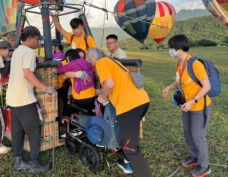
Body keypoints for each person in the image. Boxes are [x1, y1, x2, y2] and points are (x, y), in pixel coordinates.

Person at [88, 48, 152, 177]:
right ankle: (128, 161)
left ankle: (138, 168)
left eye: (90, 61)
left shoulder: (101, 63)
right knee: (129, 141)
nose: (90, 64)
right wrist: (102, 91)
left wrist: (103, 97)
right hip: (142, 101)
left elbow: (110, 85)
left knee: (130, 149)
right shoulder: (114, 62)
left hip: (129, 107)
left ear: (94, 58)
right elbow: (115, 84)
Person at [6, 26, 54, 173]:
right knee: (34, 131)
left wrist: (36, 60)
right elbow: (27, 74)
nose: (38, 42)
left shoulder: (18, 51)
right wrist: (45, 88)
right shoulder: (28, 52)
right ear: (31, 37)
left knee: (17, 131)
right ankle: (35, 164)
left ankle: (18, 161)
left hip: (13, 99)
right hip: (24, 100)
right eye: (38, 39)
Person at [162, 34, 212, 177]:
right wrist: (169, 87)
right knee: (188, 132)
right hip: (186, 105)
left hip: (199, 106)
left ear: (178, 48)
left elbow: (207, 86)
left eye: (171, 48)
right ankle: (194, 157)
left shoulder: (195, 64)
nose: (170, 51)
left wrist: (193, 101)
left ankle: (204, 167)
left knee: (198, 136)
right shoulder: (179, 63)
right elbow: (180, 82)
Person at [58, 49, 95, 114]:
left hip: (80, 98)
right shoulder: (86, 62)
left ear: (68, 58)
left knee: (69, 107)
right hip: (92, 96)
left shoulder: (73, 63)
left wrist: (62, 62)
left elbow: (59, 70)